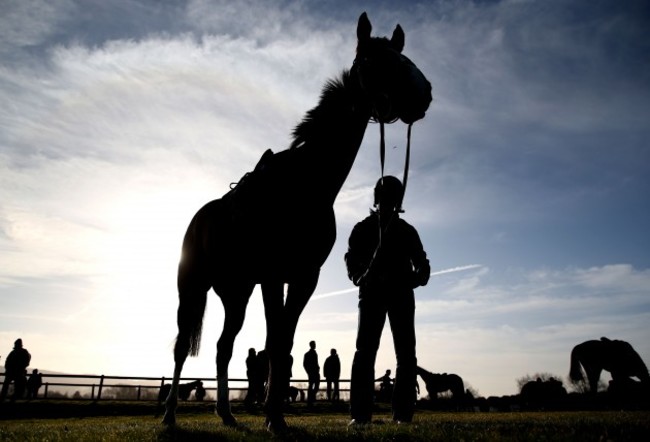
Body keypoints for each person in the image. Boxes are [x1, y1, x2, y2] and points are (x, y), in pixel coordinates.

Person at [345, 176, 430, 424]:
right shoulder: (363, 228)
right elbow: (351, 259)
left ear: (398, 201)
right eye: (384, 197)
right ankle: (360, 416)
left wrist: (419, 275)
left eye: (392, 198)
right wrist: (361, 276)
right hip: (371, 294)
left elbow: (422, 262)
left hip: (402, 294)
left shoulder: (406, 231)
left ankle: (403, 416)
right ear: (377, 199)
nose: (387, 203)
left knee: (406, 355)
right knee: (365, 352)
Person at [303, 340, 320, 407]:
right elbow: (305, 364)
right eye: (314, 344)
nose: (315, 345)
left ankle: (311, 398)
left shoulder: (313, 353)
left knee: (315, 386)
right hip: (312, 372)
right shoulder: (308, 354)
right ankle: (310, 399)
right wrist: (309, 372)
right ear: (311, 345)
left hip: (315, 372)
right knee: (312, 386)